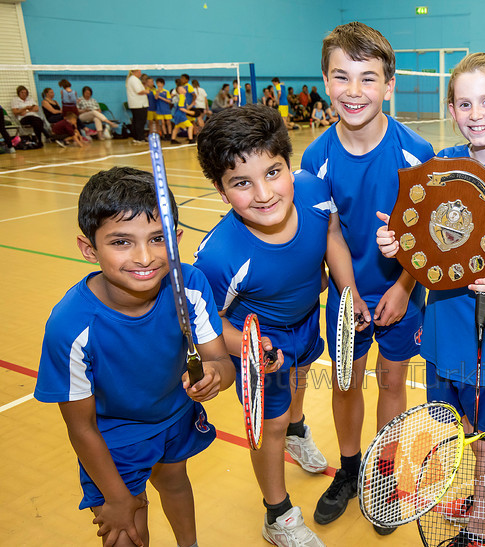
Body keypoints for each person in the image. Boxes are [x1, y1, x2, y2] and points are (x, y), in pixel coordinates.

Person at [375, 52, 485, 546]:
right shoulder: (440, 168)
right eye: (463, 103)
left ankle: (479, 528)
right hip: (442, 328)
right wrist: (396, 247)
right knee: (450, 427)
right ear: (451, 111)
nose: (476, 113)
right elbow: (417, 244)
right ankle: (471, 499)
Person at [33, 166, 235, 547]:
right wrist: (116, 497)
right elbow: (82, 427)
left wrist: (214, 377)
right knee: (126, 531)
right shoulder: (70, 327)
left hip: (175, 417)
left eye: (158, 238)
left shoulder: (189, 285)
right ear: (88, 248)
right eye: (121, 242)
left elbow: (221, 363)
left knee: (174, 482)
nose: (144, 257)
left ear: (176, 240)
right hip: (113, 440)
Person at [194, 104, 359, 546]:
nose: (264, 193)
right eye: (241, 183)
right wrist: (250, 348)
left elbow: (332, 238)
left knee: (301, 380)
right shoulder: (219, 257)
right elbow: (202, 322)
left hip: (305, 319)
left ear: (290, 165)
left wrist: (350, 292)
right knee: (269, 422)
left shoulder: (314, 191)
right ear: (221, 189)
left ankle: (298, 431)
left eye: (273, 172)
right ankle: (277, 514)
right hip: (259, 343)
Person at [300, 21, 434, 534]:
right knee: (345, 382)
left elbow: (425, 240)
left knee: (394, 382)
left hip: (402, 292)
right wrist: (349, 293)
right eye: (341, 77)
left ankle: (383, 474)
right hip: (346, 297)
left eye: (367, 78)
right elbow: (331, 233)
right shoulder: (317, 158)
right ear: (326, 82)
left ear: (388, 84)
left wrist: (403, 285)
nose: (353, 91)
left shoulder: (416, 153)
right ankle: (351, 468)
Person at [125, 69, 148, 144]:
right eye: (139, 71)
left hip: (136, 104)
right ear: (135, 72)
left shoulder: (133, 79)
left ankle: (136, 137)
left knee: (136, 121)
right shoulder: (134, 80)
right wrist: (147, 91)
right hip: (139, 104)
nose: (140, 73)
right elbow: (139, 91)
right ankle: (140, 138)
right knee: (140, 121)